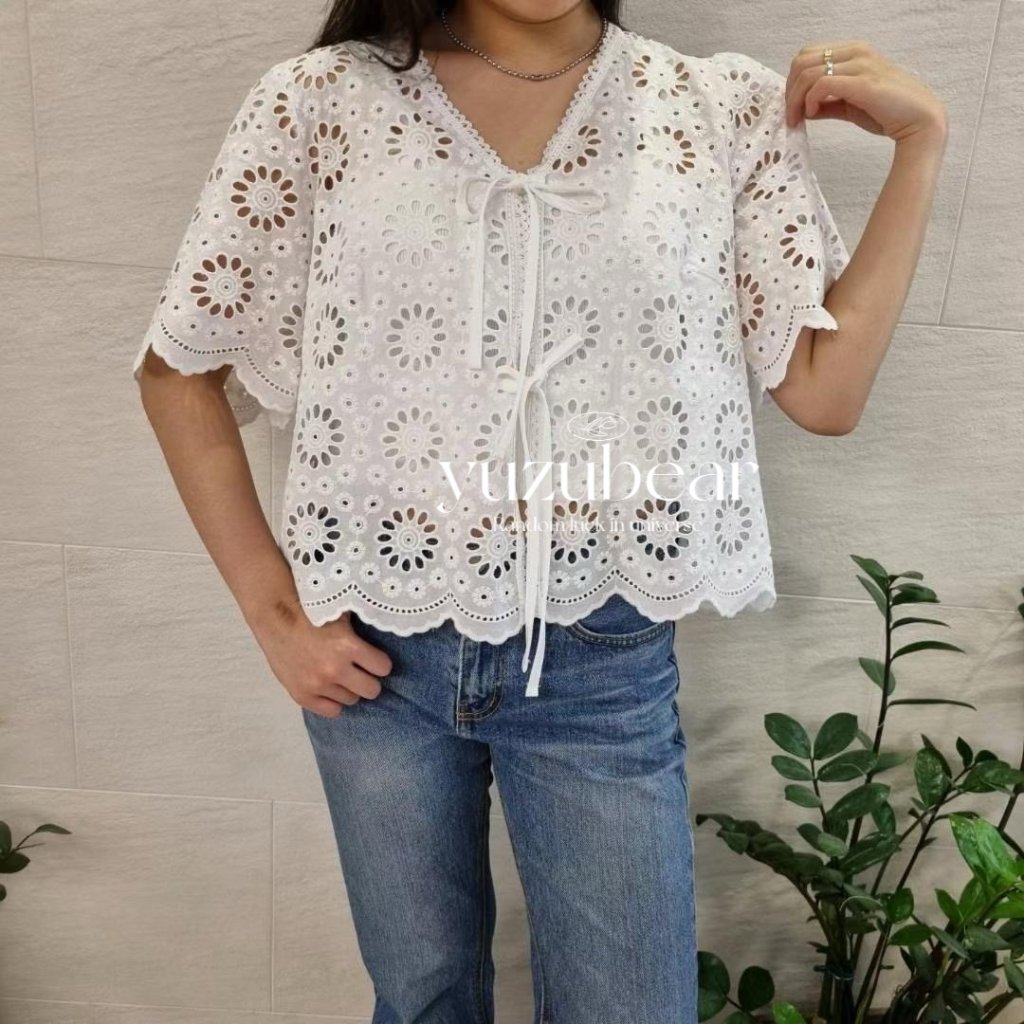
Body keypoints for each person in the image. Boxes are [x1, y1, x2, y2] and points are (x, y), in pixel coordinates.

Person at [132, 1, 947, 1021]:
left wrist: (919, 146)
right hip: (372, 654)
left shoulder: (714, 110)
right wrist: (275, 614)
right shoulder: (321, 102)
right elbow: (179, 368)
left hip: (600, 660)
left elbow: (824, 391)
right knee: (422, 997)